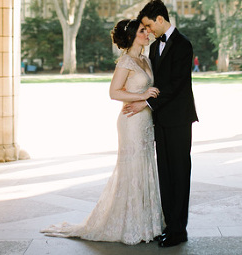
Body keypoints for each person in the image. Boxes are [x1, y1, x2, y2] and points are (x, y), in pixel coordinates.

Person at [41, 19, 165, 245]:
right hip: (130, 122)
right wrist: (142, 96)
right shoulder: (126, 61)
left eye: (146, 30)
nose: (147, 33)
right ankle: (131, 225)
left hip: (145, 121)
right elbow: (114, 92)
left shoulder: (145, 59)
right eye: (142, 31)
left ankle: (148, 222)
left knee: (145, 166)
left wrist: (145, 102)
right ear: (131, 37)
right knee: (133, 169)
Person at [123, 0, 198, 248]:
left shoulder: (183, 45)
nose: (148, 30)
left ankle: (179, 230)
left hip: (178, 120)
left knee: (179, 173)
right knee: (164, 175)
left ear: (160, 19)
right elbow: (152, 84)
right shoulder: (154, 49)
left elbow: (175, 85)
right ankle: (169, 225)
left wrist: (146, 104)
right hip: (160, 121)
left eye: (148, 25)